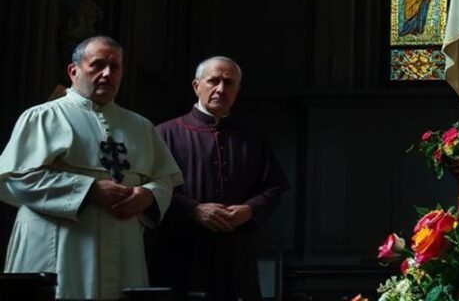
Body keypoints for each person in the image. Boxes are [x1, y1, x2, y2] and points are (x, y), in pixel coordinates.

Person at [0, 36, 183, 300]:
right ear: (74, 71)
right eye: (97, 65)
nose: (107, 74)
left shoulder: (141, 126)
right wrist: (88, 190)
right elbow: (18, 178)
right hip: (60, 245)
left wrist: (149, 195)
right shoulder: (43, 116)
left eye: (115, 67)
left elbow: (165, 178)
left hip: (123, 246)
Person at [148, 56, 290, 301]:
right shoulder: (164, 133)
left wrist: (249, 210)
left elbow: (274, 187)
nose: (221, 89)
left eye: (229, 83)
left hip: (236, 256)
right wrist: (193, 209)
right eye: (213, 81)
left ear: (237, 90)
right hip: (181, 252)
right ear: (196, 86)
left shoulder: (252, 140)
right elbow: (150, 187)